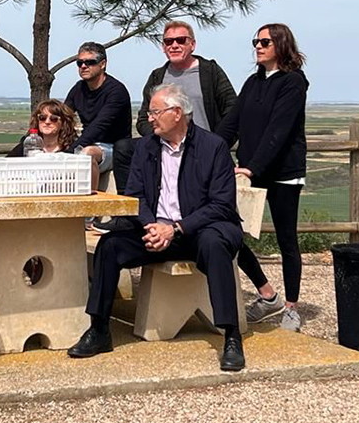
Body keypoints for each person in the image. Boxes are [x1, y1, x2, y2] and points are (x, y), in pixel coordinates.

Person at [68, 84, 245, 372]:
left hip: (201, 230)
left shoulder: (213, 147)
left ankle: (231, 336)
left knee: (215, 245)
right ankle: (99, 330)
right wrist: (152, 226)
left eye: (155, 112)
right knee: (109, 246)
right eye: (150, 112)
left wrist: (174, 228)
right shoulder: (146, 147)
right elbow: (135, 194)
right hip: (156, 231)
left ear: (177, 113)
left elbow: (221, 205)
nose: (149, 118)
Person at [216, 23, 310, 332]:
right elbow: (232, 123)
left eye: (265, 41)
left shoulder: (293, 83)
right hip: (250, 170)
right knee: (230, 233)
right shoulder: (252, 83)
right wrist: (208, 153)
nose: (257, 46)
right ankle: (267, 294)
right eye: (255, 41)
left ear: (281, 45)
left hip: (282, 172)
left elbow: (279, 131)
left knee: (286, 240)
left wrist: (252, 167)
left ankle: (292, 308)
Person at [110, 20, 237, 193]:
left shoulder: (210, 72)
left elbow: (233, 112)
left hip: (201, 148)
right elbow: (142, 120)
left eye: (181, 40)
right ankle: (128, 213)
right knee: (123, 148)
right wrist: (164, 139)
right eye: (169, 42)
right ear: (163, 47)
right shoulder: (157, 76)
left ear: (192, 44)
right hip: (164, 147)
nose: (174, 45)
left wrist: (215, 144)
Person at [63, 42, 132, 178]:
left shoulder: (116, 91)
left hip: (113, 148)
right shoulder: (79, 89)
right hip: (88, 142)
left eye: (90, 62)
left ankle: (90, 198)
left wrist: (70, 152)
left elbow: (99, 126)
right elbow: (62, 116)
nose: (83, 66)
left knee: (87, 154)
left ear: (102, 64)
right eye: (80, 63)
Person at [7, 99, 100, 188]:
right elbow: (6, 164)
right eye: (42, 118)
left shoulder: (72, 147)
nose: (47, 122)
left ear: (63, 122)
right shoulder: (28, 145)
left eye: (53, 119)